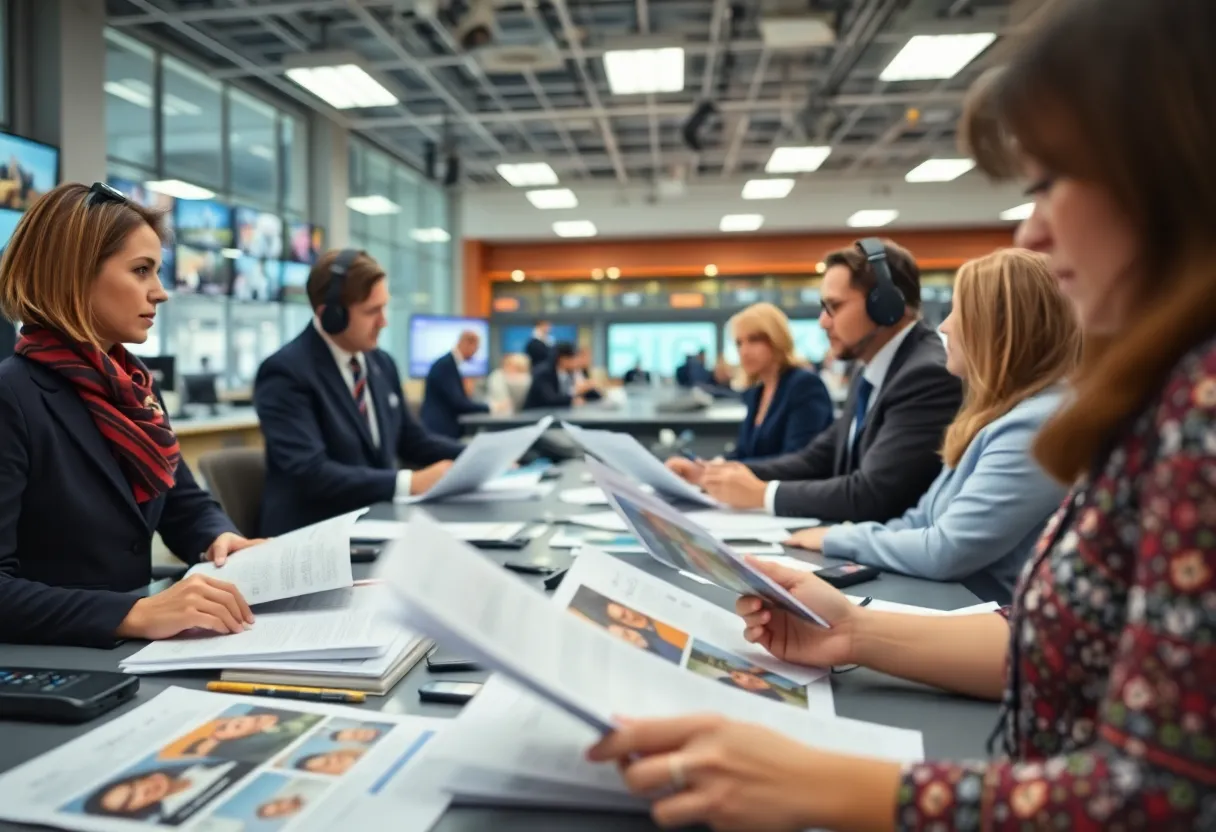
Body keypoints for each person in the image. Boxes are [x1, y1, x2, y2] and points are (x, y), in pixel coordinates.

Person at [587, 2, 1216, 828]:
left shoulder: (1200, 418)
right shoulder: (1163, 400)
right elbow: (1061, 643)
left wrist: (827, 785)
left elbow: (1151, 799)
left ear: (1168, 168)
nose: (1031, 225)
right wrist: (851, 631)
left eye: (1052, 181)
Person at [0, 182, 259, 648]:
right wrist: (132, 614)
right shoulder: (12, 396)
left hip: (133, 654)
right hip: (57, 662)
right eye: (141, 271)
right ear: (73, 275)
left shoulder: (134, 387)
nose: (160, 293)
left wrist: (218, 537)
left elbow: (180, 501)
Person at [786, 249, 1077, 603]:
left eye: (960, 311)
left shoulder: (1036, 426)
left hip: (986, 626)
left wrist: (837, 539)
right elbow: (920, 519)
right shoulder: (996, 416)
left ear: (1003, 327)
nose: (944, 326)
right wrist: (838, 535)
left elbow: (946, 550)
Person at [699, 239, 963, 521]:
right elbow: (818, 458)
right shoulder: (870, 369)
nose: (823, 322)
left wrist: (763, 494)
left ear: (885, 305)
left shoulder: (925, 376)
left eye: (833, 307)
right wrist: (716, 474)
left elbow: (873, 495)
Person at [255, 250, 463, 536]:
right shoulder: (285, 372)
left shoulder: (381, 363)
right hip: (315, 537)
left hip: (377, 524)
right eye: (371, 311)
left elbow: (412, 440)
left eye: (384, 308)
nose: (384, 322)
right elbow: (311, 474)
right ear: (331, 315)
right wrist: (408, 483)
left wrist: (473, 458)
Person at [668, 303, 832, 482]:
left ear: (777, 339)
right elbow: (744, 453)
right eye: (739, 343)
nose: (744, 351)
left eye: (754, 340)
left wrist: (719, 472)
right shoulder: (756, 392)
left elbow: (797, 463)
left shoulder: (804, 385)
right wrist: (706, 466)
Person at [419, 329, 490, 439]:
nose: (476, 353)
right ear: (467, 343)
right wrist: (489, 407)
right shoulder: (445, 366)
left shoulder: (450, 364)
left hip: (443, 427)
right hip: (440, 429)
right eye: (476, 348)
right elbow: (458, 402)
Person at [523, 340, 597, 409]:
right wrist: (575, 391)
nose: (577, 362)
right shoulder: (544, 373)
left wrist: (589, 387)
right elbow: (551, 400)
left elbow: (591, 395)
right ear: (563, 359)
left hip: (557, 414)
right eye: (574, 358)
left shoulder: (570, 373)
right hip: (534, 416)